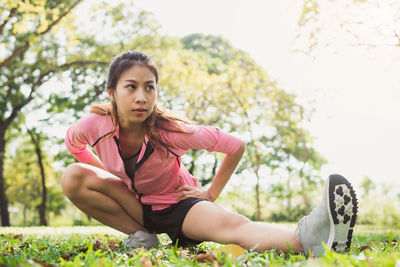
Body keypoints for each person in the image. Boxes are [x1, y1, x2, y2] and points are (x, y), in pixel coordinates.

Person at [61, 50, 358, 256]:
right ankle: (141, 237)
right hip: (136, 208)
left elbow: (235, 145)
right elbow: (74, 145)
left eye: (149, 88)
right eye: (131, 87)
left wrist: (210, 193)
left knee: (234, 227)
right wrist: (109, 173)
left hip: (179, 207)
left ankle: (311, 238)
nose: (142, 97)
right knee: (73, 175)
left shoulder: (171, 132)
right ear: (111, 92)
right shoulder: (94, 125)